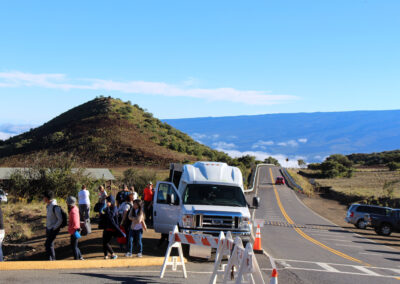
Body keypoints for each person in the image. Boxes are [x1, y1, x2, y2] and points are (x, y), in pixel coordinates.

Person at [101, 195, 125, 259]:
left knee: (106, 242)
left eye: (108, 201)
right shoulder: (108, 208)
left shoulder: (114, 208)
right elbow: (106, 215)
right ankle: (105, 255)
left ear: (111, 201)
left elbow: (110, 217)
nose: (107, 202)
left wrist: (108, 208)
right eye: (106, 201)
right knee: (104, 242)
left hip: (111, 228)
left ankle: (113, 254)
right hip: (106, 227)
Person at [44, 190, 63, 261]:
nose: (43, 198)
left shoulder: (55, 206)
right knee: (50, 245)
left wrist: (54, 228)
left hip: (53, 229)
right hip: (49, 228)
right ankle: (51, 260)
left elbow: (60, 219)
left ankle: (52, 260)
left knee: (48, 245)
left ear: (47, 198)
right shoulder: (49, 206)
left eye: (44, 197)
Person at [66, 196, 83, 260]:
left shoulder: (73, 211)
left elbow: (75, 223)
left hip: (74, 231)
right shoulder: (75, 208)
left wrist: (71, 229)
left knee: (74, 247)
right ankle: (80, 257)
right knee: (75, 246)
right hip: (75, 230)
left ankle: (77, 259)